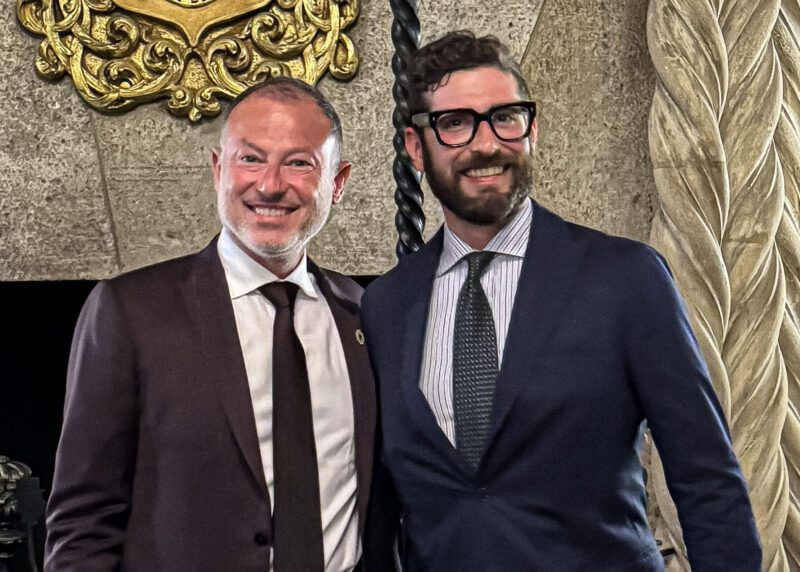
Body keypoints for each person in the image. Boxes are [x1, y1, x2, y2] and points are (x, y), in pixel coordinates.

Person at [360, 31, 761, 570]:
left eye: (506, 117)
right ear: (415, 147)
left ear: (532, 129)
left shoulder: (626, 280)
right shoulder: (386, 306)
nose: (486, 144)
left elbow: (708, 483)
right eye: (455, 124)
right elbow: (380, 513)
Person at [45, 77, 393, 571]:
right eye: (250, 158)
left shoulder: (363, 314)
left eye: (299, 163)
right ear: (217, 169)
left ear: (337, 184)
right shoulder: (129, 312)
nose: (269, 184)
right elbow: (83, 521)